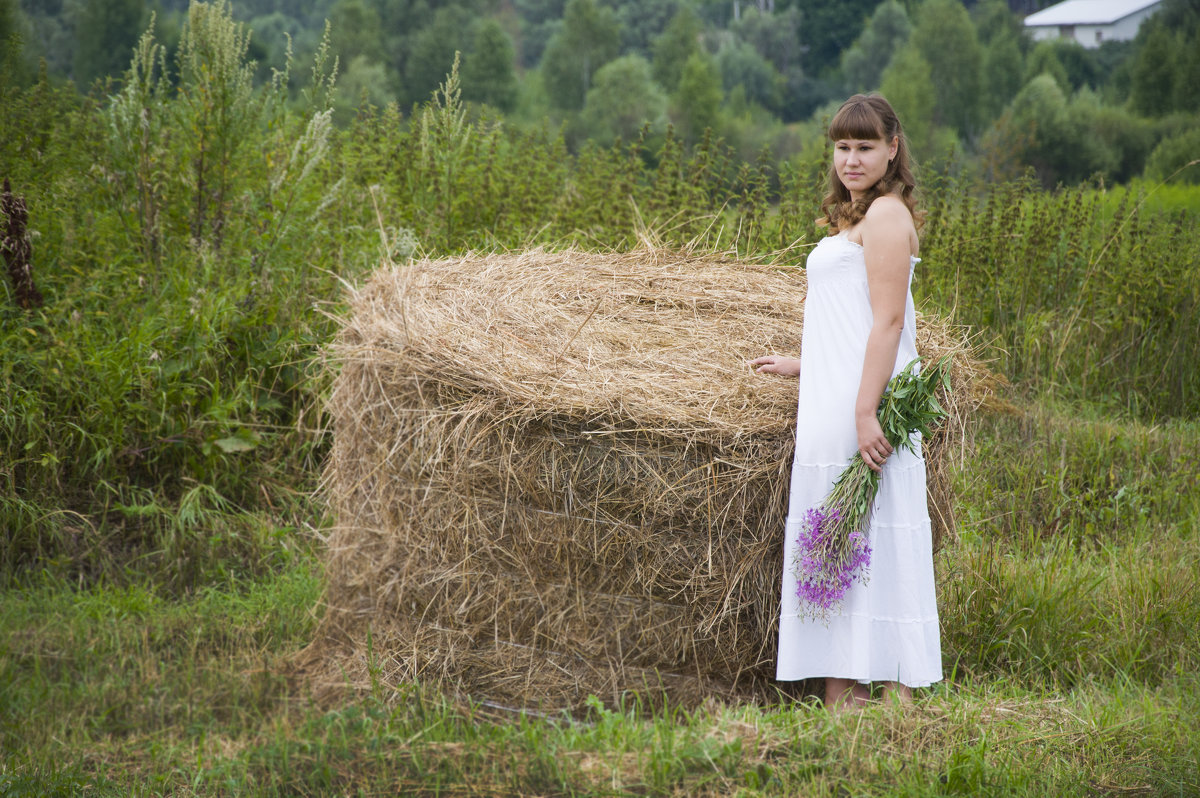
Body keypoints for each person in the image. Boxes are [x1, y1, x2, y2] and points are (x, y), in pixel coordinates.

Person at [750, 94, 941, 710]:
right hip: (835, 395)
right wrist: (807, 364)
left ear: (892, 148)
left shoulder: (886, 215)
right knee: (838, 538)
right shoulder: (852, 219)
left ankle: (894, 689)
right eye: (842, 147)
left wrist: (866, 412)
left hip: (868, 402)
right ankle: (844, 689)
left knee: (876, 537)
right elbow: (855, 319)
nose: (851, 159)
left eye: (864, 147)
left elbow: (889, 324)